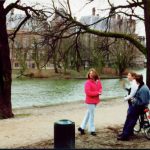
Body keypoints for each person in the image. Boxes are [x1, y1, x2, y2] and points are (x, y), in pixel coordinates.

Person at [117, 74, 150, 141]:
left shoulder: (143, 89)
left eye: (136, 81)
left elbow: (142, 102)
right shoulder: (142, 86)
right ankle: (124, 133)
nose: (135, 82)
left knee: (130, 119)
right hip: (138, 107)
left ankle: (125, 135)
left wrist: (133, 100)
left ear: (138, 81)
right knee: (129, 118)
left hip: (139, 107)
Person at [78, 68, 102, 136]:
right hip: (90, 101)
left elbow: (100, 88)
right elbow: (88, 93)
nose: (91, 75)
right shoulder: (87, 83)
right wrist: (97, 93)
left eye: (92, 73)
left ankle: (81, 127)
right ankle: (92, 130)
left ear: (95, 74)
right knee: (92, 115)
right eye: (90, 73)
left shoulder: (98, 81)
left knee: (88, 114)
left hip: (96, 100)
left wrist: (100, 91)